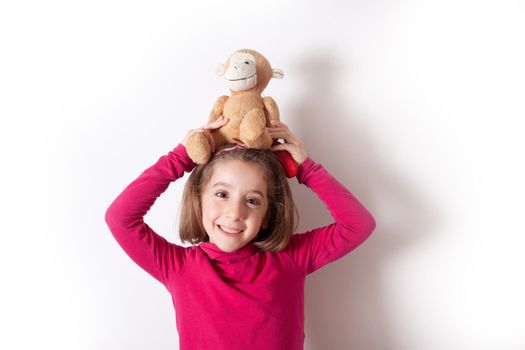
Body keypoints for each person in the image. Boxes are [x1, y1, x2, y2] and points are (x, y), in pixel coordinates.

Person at [104, 116, 376, 350]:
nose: (235, 213)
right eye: (222, 194)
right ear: (198, 199)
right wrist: (181, 157)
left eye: (252, 200)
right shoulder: (178, 266)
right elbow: (120, 218)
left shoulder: (291, 257)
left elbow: (358, 225)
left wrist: (306, 168)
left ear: (268, 214)